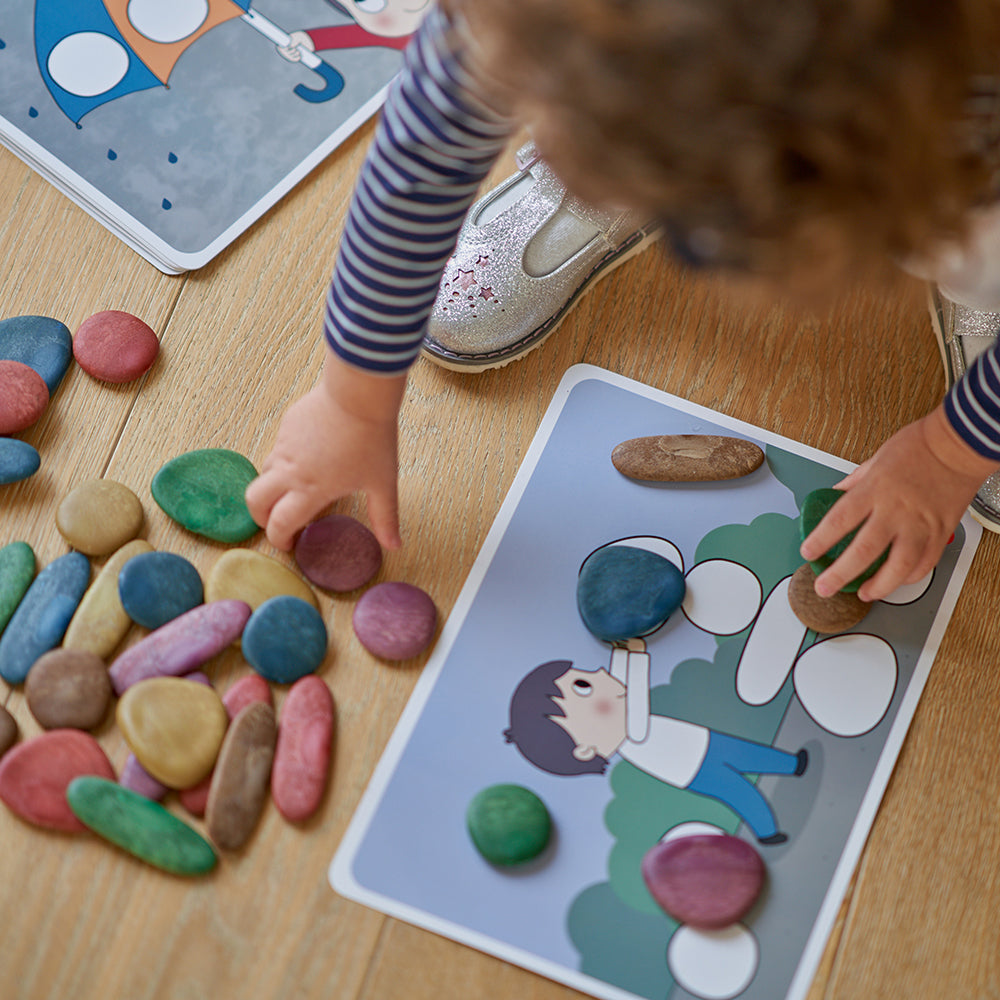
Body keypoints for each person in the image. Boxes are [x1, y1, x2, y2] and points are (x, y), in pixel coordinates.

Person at [245, 0, 1000, 605]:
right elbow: (420, 156)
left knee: (975, 244)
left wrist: (947, 452)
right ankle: (605, 163)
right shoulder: (537, 19)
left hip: (947, 140)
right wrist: (353, 400)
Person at [503, 647, 808, 845]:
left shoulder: (629, 729)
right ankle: (768, 832)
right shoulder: (632, 734)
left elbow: (621, 691)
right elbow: (630, 694)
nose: (598, 674)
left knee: (749, 755)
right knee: (739, 791)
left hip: (701, 741)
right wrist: (633, 655)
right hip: (694, 768)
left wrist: (625, 651)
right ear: (584, 749)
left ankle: (792, 765)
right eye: (583, 687)